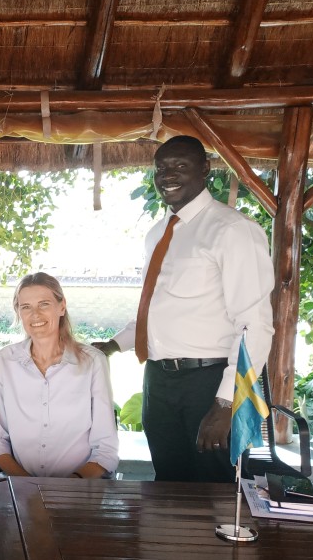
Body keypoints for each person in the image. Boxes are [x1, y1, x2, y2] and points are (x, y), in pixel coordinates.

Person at [94, 135, 274, 483]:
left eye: (180, 165)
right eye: (161, 168)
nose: (168, 175)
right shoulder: (157, 233)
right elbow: (155, 308)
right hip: (159, 382)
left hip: (208, 382)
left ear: (205, 169)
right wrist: (113, 346)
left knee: (216, 488)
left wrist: (226, 402)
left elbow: (255, 325)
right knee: (168, 483)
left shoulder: (233, 230)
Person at [0, 272, 118, 478]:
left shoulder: (93, 362)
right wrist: (28, 486)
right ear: (18, 312)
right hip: (19, 487)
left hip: (78, 488)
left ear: (62, 306)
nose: (35, 314)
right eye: (26, 307)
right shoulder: (4, 361)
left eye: (44, 304)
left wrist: (65, 489)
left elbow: (106, 450)